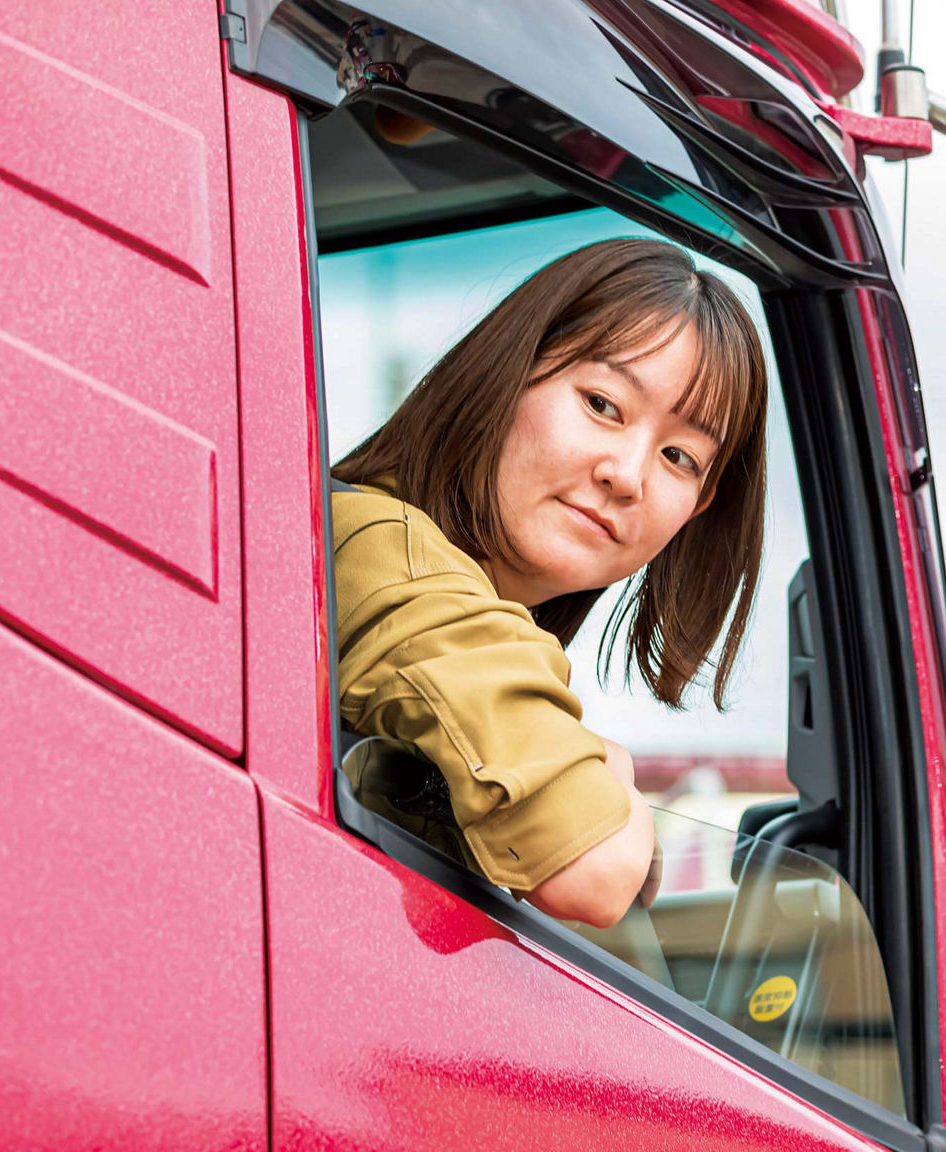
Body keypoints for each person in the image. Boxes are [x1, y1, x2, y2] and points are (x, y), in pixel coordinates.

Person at [326, 238, 768, 929]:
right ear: (507, 374)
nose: (627, 474)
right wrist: (610, 771)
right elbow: (594, 871)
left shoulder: (462, 602)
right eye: (602, 404)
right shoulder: (386, 553)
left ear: (701, 505)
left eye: (680, 457)